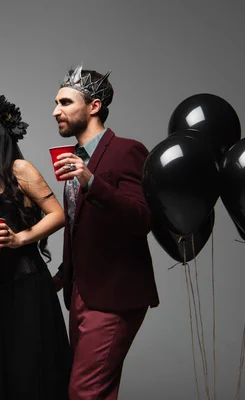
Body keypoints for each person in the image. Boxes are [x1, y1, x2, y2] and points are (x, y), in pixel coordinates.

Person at [51, 64, 159, 399]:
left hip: (114, 295)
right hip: (80, 292)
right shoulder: (74, 158)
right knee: (97, 392)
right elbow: (79, 228)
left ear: (94, 106)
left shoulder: (127, 150)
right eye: (56, 103)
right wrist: (59, 276)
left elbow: (142, 218)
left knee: (84, 392)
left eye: (66, 103)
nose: (56, 111)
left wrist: (91, 182)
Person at [0, 92, 72, 400]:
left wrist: (20, 238)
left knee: (28, 374)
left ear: (3, 141)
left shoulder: (19, 170)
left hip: (28, 289)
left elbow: (59, 215)